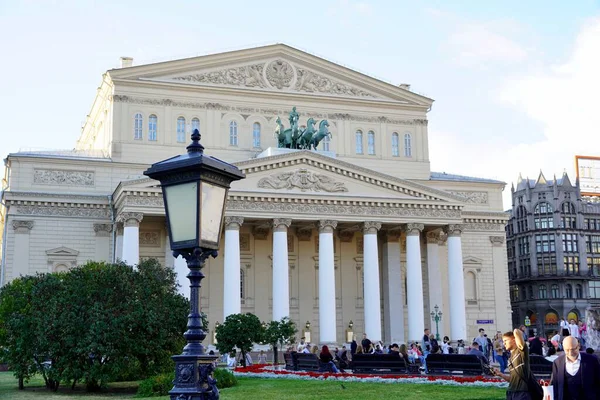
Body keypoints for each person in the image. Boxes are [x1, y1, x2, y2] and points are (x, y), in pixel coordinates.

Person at [493, 328, 532, 400]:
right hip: (511, 392)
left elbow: (517, 332)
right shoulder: (511, 357)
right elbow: (512, 379)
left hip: (522, 393)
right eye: (503, 341)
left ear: (514, 340)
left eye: (505, 341)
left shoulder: (521, 351)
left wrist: (514, 331)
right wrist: (501, 374)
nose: (504, 343)